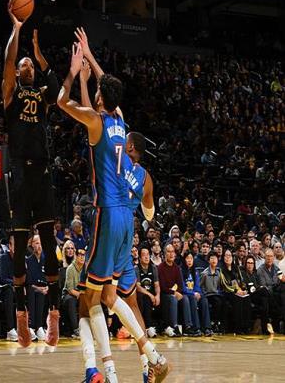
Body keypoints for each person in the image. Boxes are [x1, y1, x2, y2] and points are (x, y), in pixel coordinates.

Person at [58, 32, 168, 383]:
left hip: (106, 213)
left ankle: (107, 370)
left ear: (101, 96)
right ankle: (148, 360)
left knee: (89, 301)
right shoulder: (120, 120)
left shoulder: (97, 120)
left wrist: (75, 71)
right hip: (127, 221)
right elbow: (106, 94)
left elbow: (63, 102)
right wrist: (90, 58)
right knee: (109, 295)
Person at [2, 6, 61, 347]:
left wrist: (40, 57)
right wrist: (16, 30)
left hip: (42, 173)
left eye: (29, 65)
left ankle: (53, 315)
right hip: (20, 175)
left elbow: (56, 87)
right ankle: (21, 314)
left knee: (50, 244)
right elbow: (9, 61)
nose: (26, 66)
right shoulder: (10, 93)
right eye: (23, 64)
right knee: (20, 246)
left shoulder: (41, 95)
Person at [158, 244, 191, 337]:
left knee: (185, 298)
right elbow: (163, 287)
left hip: (174, 293)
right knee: (173, 299)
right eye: (169, 252)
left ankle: (187, 326)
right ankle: (174, 326)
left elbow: (180, 285)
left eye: (172, 252)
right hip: (164, 295)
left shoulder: (177, 268)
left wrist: (177, 292)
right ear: (165, 254)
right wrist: (173, 292)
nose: (171, 254)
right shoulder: (160, 267)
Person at [219, 249, 251, 334]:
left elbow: (242, 281)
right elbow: (225, 285)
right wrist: (236, 291)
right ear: (223, 257)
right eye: (226, 255)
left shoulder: (236, 268)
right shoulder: (221, 270)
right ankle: (238, 327)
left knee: (247, 298)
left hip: (239, 291)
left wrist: (244, 289)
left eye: (229, 255)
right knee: (238, 298)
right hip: (227, 292)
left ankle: (246, 327)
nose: (228, 257)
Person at [181, 251, 212, 336]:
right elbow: (182, 287)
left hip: (194, 293)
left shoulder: (195, 271)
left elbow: (197, 285)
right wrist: (193, 293)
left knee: (204, 299)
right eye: (187, 258)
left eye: (191, 258)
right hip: (186, 294)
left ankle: (207, 327)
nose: (189, 260)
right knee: (192, 299)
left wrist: (197, 292)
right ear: (184, 260)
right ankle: (195, 327)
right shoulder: (181, 271)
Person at [240, 255, 273, 334]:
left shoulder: (255, 274)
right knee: (265, 291)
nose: (250, 265)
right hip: (248, 295)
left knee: (264, 301)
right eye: (248, 263)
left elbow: (258, 285)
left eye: (252, 263)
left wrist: (259, 288)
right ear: (245, 264)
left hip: (257, 296)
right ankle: (266, 325)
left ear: (254, 264)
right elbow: (244, 286)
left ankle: (265, 328)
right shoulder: (242, 273)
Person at [135, 246, 160, 337]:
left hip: (152, 294)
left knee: (165, 298)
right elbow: (138, 287)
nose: (146, 257)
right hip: (142, 295)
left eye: (148, 255)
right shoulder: (136, 269)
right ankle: (148, 327)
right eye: (144, 255)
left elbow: (156, 285)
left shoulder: (153, 268)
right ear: (140, 257)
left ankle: (165, 327)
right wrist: (150, 295)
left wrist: (157, 295)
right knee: (145, 298)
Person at [26, 235, 47, 341]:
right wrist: (39, 288)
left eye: (41, 243)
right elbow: (29, 282)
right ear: (32, 245)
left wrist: (47, 287)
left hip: (45, 288)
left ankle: (40, 327)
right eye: (37, 243)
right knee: (34, 292)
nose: (39, 246)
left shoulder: (46, 260)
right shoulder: (28, 261)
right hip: (33, 288)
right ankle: (32, 327)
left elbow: (50, 278)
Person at [62, 248, 86, 338]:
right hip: (68, 294)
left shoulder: (86, 269)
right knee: (71, 300)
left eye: (84, 255)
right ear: (76, 256)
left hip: (81, 293)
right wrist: (81, 295)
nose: (82, 257)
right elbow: (70, 289)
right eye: (80, 255)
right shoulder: (70, 268)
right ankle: (76, 329)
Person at [0, 235, 18, 341]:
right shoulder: (3, 258)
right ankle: (10, 329)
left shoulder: (21, 259)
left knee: (33, 290)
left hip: (18, 289)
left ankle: (33, 327)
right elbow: (3, 278)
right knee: (9, 291)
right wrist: (15, 283)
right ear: (10, 246)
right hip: (4, 289)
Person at [200, 252, 224, 333]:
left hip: (216, 294)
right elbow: (200, 285)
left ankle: (219, 324)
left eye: (215, 258)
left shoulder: (219, 273)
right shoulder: (205, 273)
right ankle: (213, 322)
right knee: (217, 302)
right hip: (208, 295)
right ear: (208, 260)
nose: (214, 260)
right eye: (212, 258)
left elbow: (220, 285)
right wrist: (203, 293)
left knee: (223, 301)